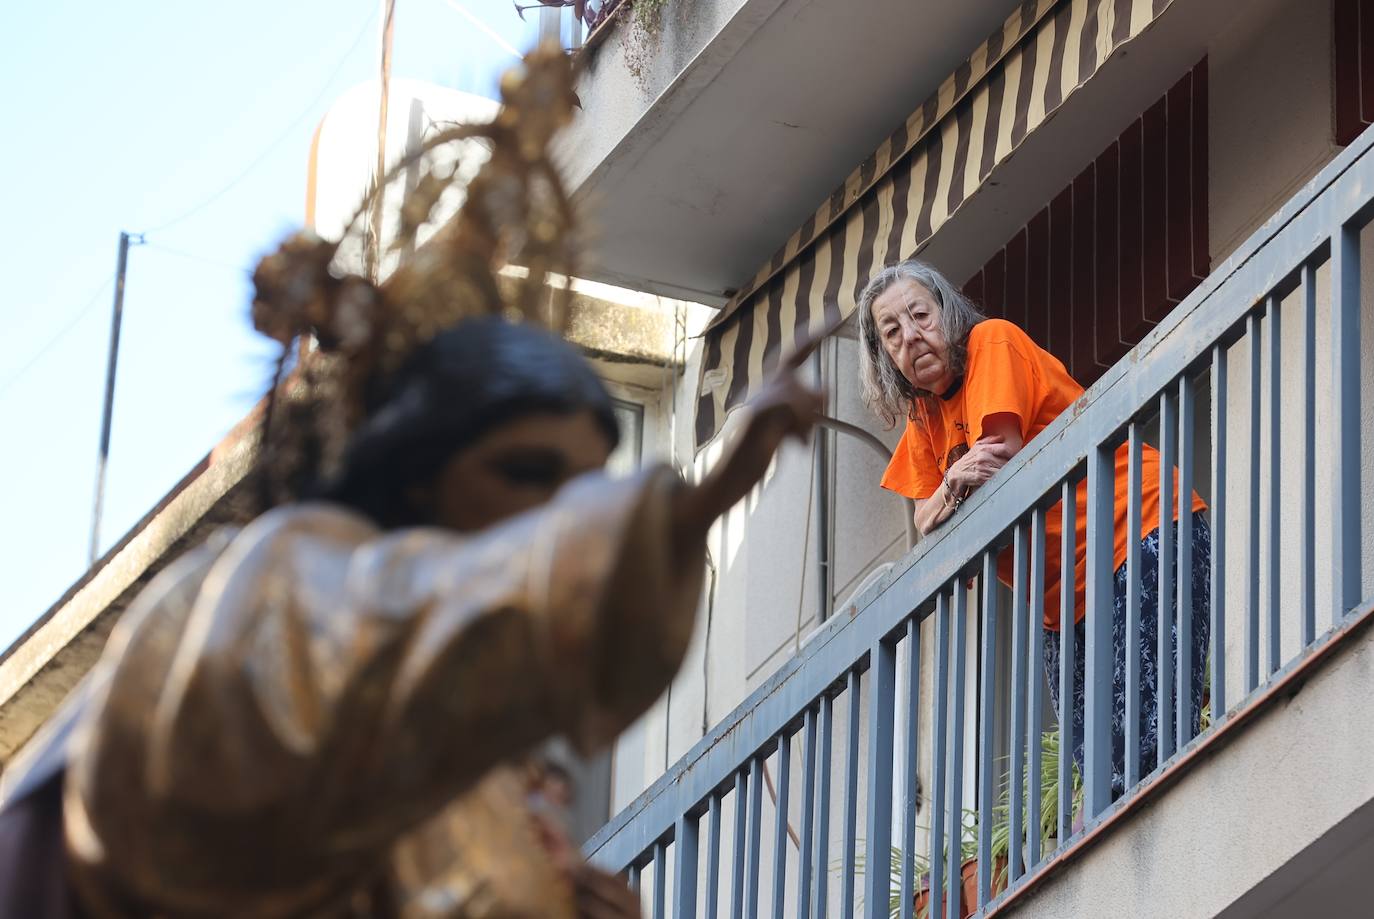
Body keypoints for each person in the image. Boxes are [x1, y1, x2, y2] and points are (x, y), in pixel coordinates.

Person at [0, 47, 827, 918]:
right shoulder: (279, 583)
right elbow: (390, 631)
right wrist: (697, 499)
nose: (557, 519)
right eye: (524, 473)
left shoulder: (459, 780)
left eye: (586, 483)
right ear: (419, 475)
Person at [858, 259, 1210, 796]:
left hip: (1136, 529)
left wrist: (949, 489)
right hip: (1063, 603)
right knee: (1097, 769)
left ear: (948, 314)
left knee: (1149, 743)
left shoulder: (990, 344)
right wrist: (951, 484)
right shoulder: (924, 421)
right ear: (885, 357)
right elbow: (927, 519)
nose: (911, 336)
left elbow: (999, 456)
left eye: (920, 315)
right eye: (892, 331)